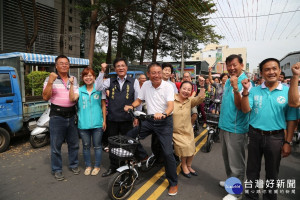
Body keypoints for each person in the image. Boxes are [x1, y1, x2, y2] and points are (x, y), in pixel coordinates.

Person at [241, 58, 298, 200]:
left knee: (272, 172)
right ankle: (251, 196)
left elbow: (292, 119)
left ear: (279, 71)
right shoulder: (254, 90)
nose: (271, 72)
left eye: (274, 68)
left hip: (276, 137)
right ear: (261, 73)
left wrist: (288, 142)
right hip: (254, 135)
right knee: (252, 170)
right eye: (267, 69)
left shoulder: (288, 91)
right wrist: (245, 93)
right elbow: (245, 109)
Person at [124, 62, 178, 196]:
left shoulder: (168, 87)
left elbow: (171, 106)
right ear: (148, 74)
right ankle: (143, 157)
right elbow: (139, 100)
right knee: (129, 137)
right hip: (149, 120)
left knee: (167, 153)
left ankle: (173, 183)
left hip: (164, 122)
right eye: (153, 73)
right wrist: (131, 105)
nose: (157, 75)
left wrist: (164, 113)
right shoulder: (146, 84)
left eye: (159, 72)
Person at [95, 58, 140, 177]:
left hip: (127, 119)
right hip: (113, 119)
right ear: (115, 69)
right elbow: (98, 88)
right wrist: (102, 71)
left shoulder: (133, 81)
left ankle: (126, 167)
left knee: (127, 144)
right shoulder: (110, 81)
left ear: (127, 68)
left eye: (123, 66)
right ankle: (113, 166)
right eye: (118, 66)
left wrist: (137, 116)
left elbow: (138, 100)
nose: (121, 68)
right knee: (113, 145)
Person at [42, 55, 80, 181]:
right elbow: (46, 97)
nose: (64, 65)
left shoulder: (74, 79)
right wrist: (51, 82)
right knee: (56, 145)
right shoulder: (50, 79)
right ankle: (57, 169)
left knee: (74, 143)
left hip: (72, 115)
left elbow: (75, 97)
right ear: (56, 66)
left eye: (66, 63)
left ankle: (74, 164)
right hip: (57, 116)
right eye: (61, 63)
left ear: (69, 65)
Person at [218, 54, 249, 200]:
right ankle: (231, 182)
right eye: (229, 65)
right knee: (227, 159)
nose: (231, 68)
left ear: (241, 65)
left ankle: (236, 192)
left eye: (234, 64)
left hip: (236, 129)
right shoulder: (229, 81)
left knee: (236, 162)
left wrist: (237, 87)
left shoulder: (245, 82)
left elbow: (241, 107)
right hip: (225, 126)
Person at [69, 68, 106, 176]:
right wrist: (71, 85)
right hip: (83, 124)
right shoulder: (79, 90)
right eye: (86, 76)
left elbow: (103, 105)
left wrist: (104, 121)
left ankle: (97, 166)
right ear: (82, 78)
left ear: (94, 77)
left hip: (98, 123)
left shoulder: (99, 89)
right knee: (85, 146)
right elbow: (72, 99)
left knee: (97, 146)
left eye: (90, 75)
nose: (88, 78)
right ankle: (88, 166)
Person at [173, 81, 205, 178]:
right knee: (186, 147)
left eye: (189, 89)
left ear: (191, 92)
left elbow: (201, 98)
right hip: (176, 132)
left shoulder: (190, 100)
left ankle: (189, 166)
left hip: (188, 130)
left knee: (192, 148)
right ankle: (183, 166)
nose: (186, 91)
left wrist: (202, 86)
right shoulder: (171, 99)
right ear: (179, 88)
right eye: (184, 88)